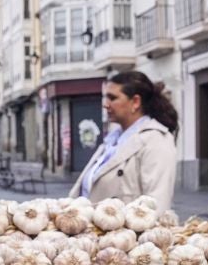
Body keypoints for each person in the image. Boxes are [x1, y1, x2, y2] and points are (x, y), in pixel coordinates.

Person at [70, 70, 180, 211]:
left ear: (135, 102)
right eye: (106, 98)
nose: (105, 104)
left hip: (124, 225)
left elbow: (157, 203)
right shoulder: (113, 140)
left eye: (112, 98)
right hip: (90, 223)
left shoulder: (156, 140)